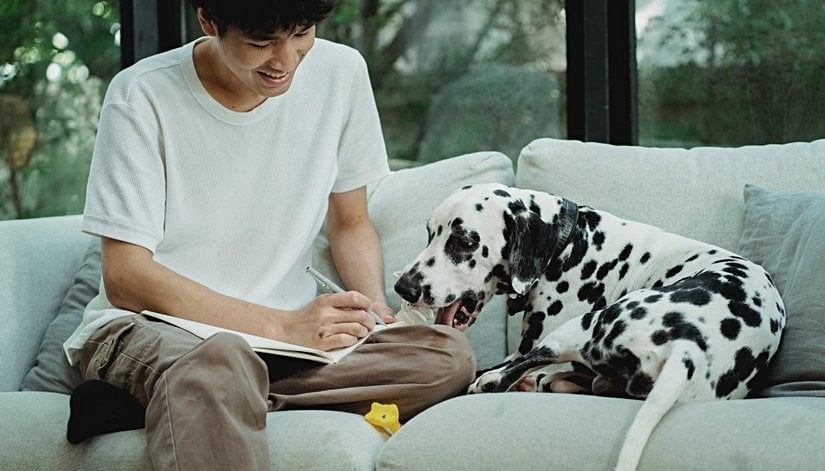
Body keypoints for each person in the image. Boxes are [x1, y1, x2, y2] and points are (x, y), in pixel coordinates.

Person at [62, 1, 476, 469]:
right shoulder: (141, 95)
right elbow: (125, 276)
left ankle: (169, 399)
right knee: (221, 361)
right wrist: (280, 326)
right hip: (153, 327)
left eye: (301, 34)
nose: (285, 61)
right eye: (260, 43)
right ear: (208, 20)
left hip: (285, 350)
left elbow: (350, 222)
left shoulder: (341, 73)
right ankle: (202, 387)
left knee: (446, 358)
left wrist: (372, 308)